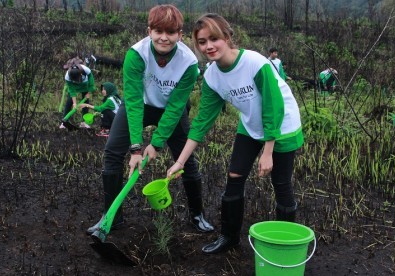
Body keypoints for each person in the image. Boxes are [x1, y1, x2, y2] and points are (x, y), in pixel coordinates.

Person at [166, 13, 304, 254]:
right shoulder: (211, 76)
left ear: (227, 37)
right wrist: (180, 161)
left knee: (280, 183)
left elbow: (274, 107)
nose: (208, 46)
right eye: (201, 42)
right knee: (234, 176)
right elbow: (200, 123)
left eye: (214, 39)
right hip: (251, 125)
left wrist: (268, 151)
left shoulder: (254, 62)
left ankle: (284, 244)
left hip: (282, 125)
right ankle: (229, 237)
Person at [87, 4, 214, 236]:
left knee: (186, 160)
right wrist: (136, 148)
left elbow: (176, 106)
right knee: (113, 154)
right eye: (158, 31)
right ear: (149, 31)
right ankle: (111, 217)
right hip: (140, 105)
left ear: (180, 35)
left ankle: (197, 215)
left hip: (170, 110)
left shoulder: (189, 63)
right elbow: (133, 101)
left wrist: (156, 143)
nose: (164, 38)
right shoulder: (136, 54)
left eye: (171, 32)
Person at [60, 64, 95, 129]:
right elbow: (72, 90)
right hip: (73, 86)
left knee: (85, 102)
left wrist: (89, 92)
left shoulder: (86, 70)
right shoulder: (67, 76)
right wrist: (75, 103)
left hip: (84, 84)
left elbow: (92, 84)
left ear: (80, 75)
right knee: (69, 101)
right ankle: (64, 122)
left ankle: (84, 122)